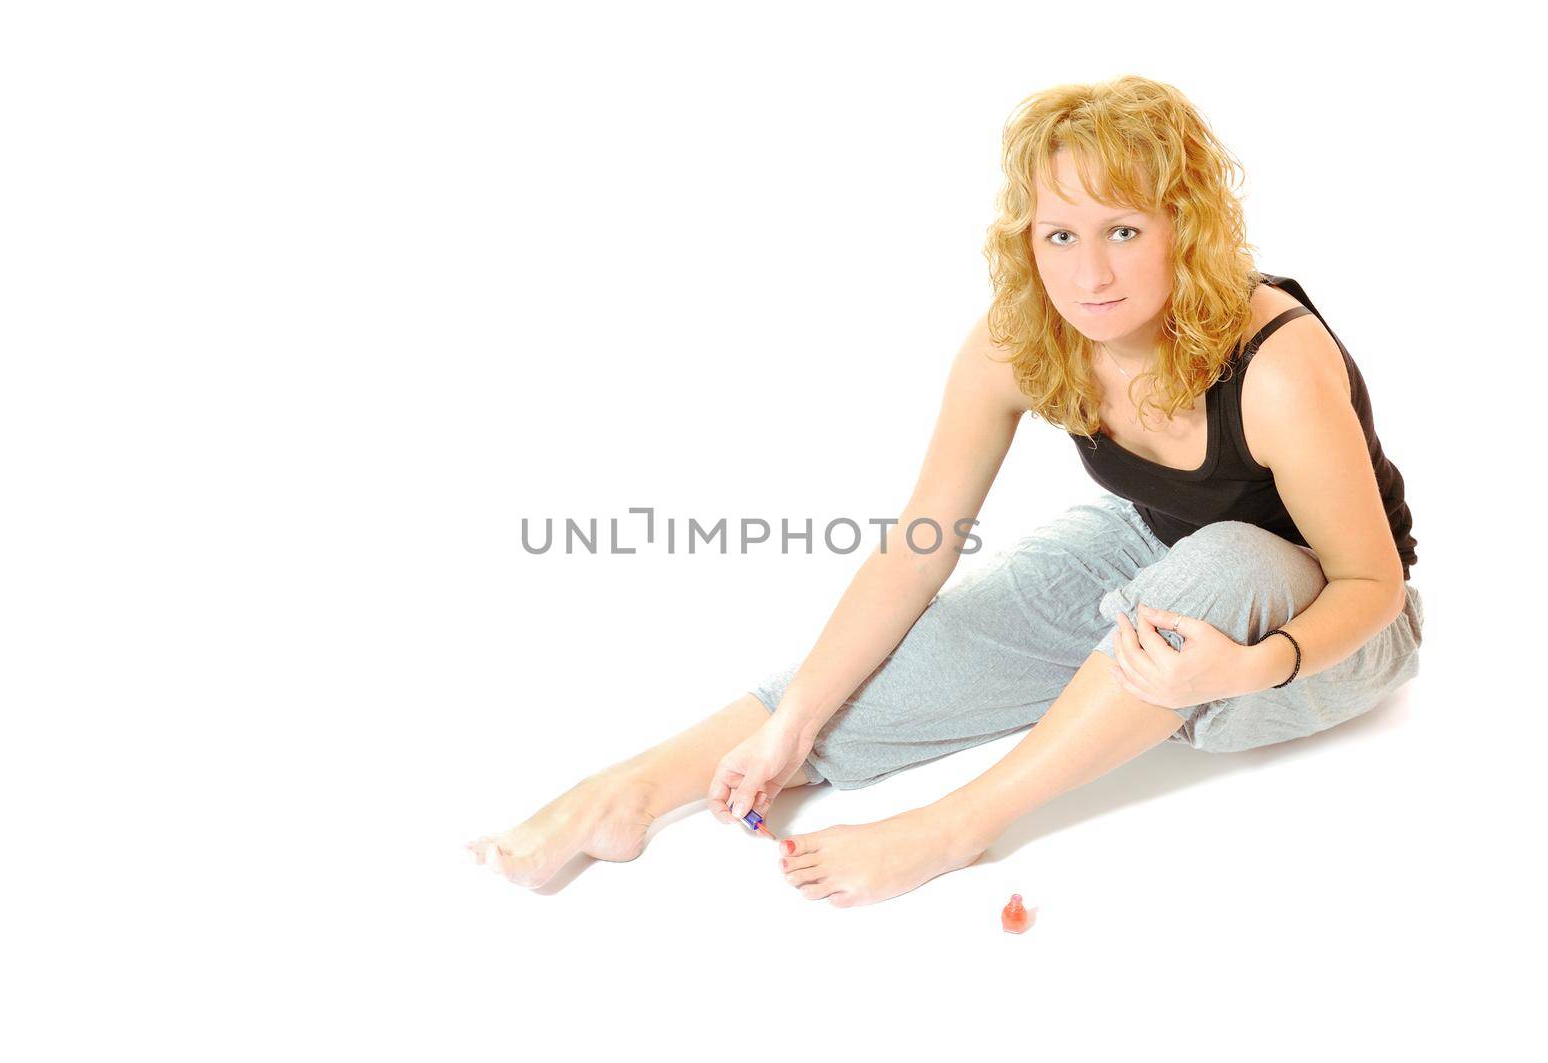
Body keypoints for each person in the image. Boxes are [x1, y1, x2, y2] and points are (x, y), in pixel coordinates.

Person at [469, 74, 1424, 906]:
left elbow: (1372, 587)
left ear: (1188, 227)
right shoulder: (1022, 338)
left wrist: (1248, 669)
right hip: (1153, 543)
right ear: (1028, 236)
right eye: (1061, 233)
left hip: (1332, 626)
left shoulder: (1276, 362)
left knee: (1223, 562)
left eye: (1124, 230)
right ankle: (631, 791)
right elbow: (920, 544)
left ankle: (955, 827)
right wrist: (793, 720)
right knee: (951, 626)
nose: (1088, 273)